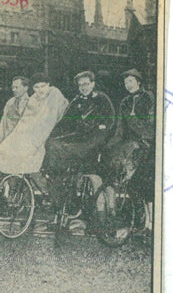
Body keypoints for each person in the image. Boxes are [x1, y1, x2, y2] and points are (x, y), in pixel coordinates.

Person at [43, 70, 115, 208]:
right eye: (80, 85)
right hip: (78, 141)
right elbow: (64, 123)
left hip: (94, 142)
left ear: (93, 84)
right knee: (52, 145)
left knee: (65, 153)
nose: (83, 87)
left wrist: (99, 136)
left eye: (86, 84)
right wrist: (50, 136)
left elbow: (109, 123)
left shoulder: (101, 99)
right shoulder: (76, 101)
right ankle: (58, 193)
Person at [105, 68, 156, 232]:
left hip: (146, 146)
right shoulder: (125, 102)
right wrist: (111, 144)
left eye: (131, 81)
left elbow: (152, 124)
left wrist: (142, 135)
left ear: (138, 82)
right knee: (132, 185)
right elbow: (120, 127)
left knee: (145, 185)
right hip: (130, 146)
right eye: (126, 82)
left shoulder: (149, 97)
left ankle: (151, 221)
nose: (127, 84)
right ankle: (141, 222)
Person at [0, 73, 68, 175]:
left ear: (48, 85)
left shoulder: (54, 94)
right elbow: (25, 122)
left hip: (56, 132)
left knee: (31, 153)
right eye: (36, 87)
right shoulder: (33, 99)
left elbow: (50, 121)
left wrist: (35, 142)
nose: (40, 90)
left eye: (43, 86)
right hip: (38, 133)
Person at [0, 76, 30, 147]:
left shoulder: (31, 103)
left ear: (25, 88)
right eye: (12, 87)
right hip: (9, 142)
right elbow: (3, 124)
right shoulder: (10, 103)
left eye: (17, 87)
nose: (14, 90)